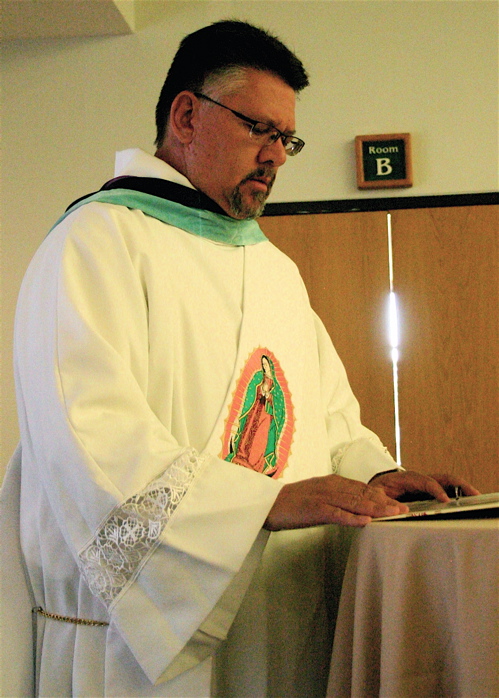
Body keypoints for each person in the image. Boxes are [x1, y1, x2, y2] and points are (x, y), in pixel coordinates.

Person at [0, 19, 478, 698]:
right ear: (187, 115)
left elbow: (329, 417)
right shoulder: (94, 245)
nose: (276, 156)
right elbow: (89, 441)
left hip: (281, 623)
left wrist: (378, 473)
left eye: (286, 139)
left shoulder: (273, 268)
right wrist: (262, 503)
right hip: (137, 650)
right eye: (260, 129)